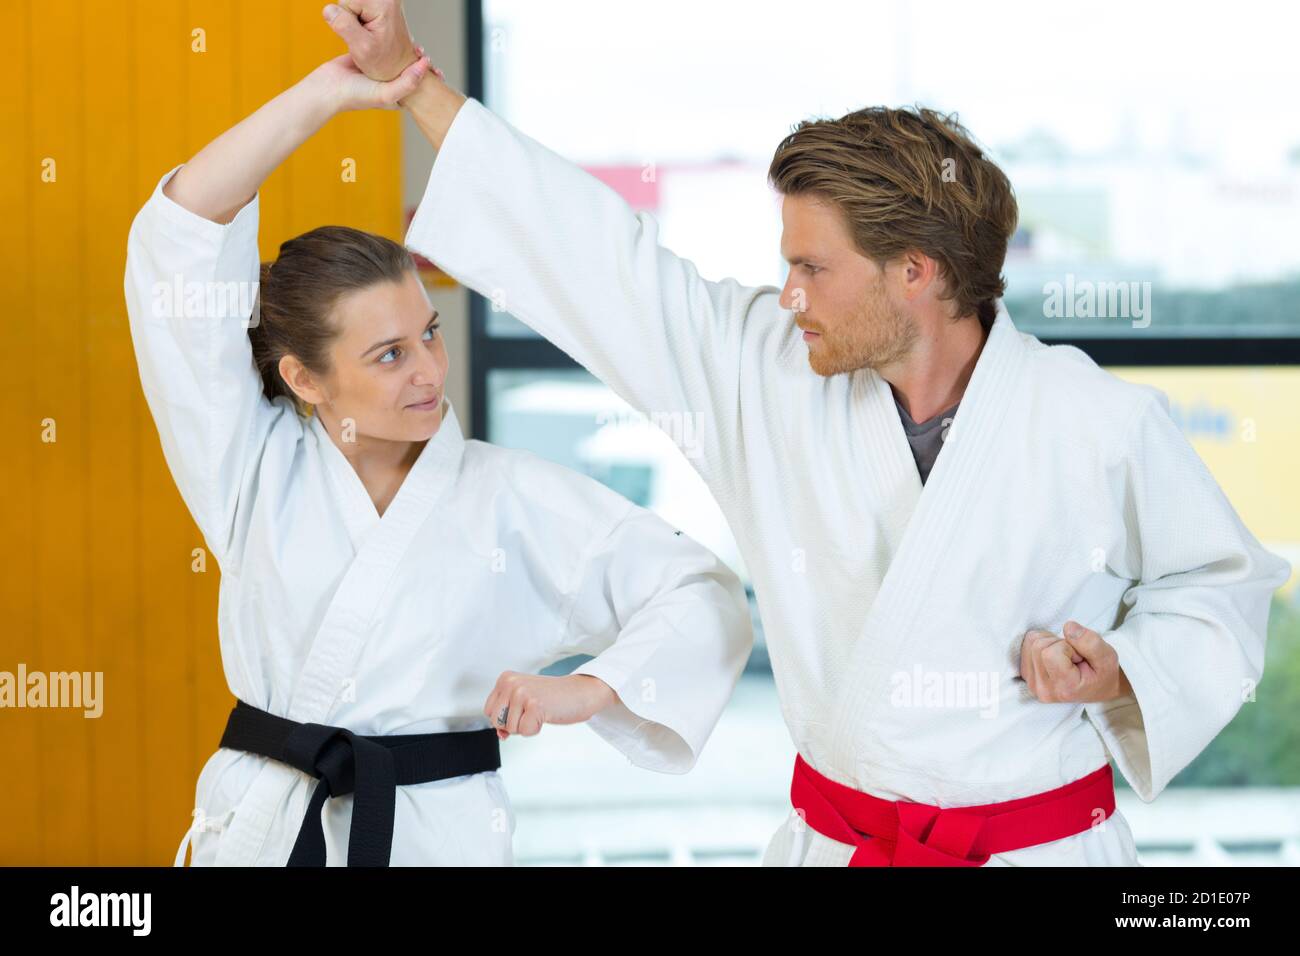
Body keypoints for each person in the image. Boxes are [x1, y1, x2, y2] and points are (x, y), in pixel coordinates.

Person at [324, 0, 1293, 866]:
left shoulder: (1096, 419)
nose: (785, 294)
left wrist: (1123, 660)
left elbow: (1218, 584)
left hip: (1041, 849)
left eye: (811, 268)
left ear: (913, 271)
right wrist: (416, 86)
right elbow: (597, 258)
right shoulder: (768, 372)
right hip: (839, 843)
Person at [124, 51, 753, 867]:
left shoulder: (510, 498)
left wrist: (587, 689)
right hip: (264, 831)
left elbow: (701, 592)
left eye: (428, 333)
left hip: (436, 837)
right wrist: (326, 95)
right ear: (304, 378)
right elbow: (178, 241)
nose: (428, 369)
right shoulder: (251, 466)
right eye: (388, 355)